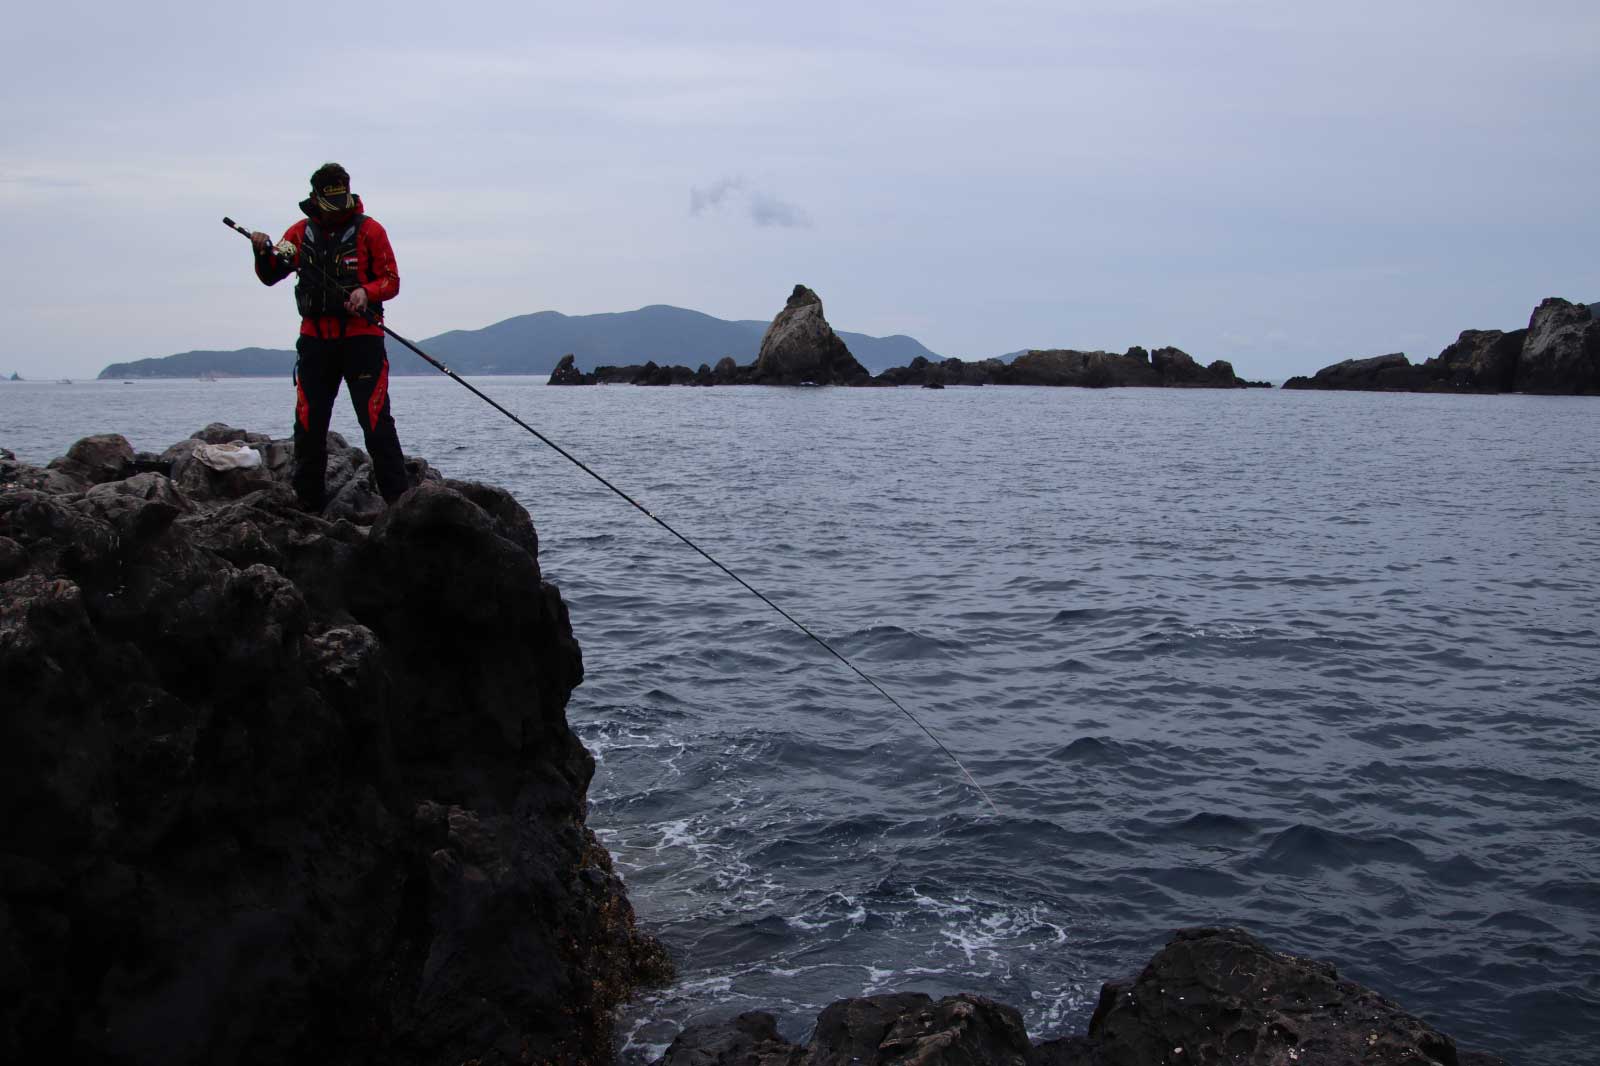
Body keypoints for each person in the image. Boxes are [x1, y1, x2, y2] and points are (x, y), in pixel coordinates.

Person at [250, 162, 408, 510]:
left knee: (376, 422)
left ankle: (400, 504)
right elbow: (271, 274)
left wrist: (366, 292)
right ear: (316, 197)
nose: (339, 208)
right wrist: (261, 250)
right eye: (331, 201)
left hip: (362, 341)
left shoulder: (371, 231)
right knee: (309, 426)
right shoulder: (298, 233)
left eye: (343, 198)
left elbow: (391, 281)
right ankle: (308, 506)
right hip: (315, 343)